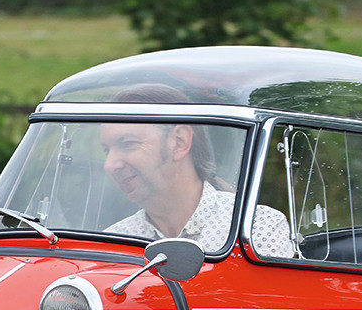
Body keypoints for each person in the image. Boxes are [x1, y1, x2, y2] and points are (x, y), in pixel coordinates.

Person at [99, 85, 294, 257]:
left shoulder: (257, 226)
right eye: (107, 150)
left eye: (128, 144)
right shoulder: (111, 242)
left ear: (179, 141)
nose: (110, 165)